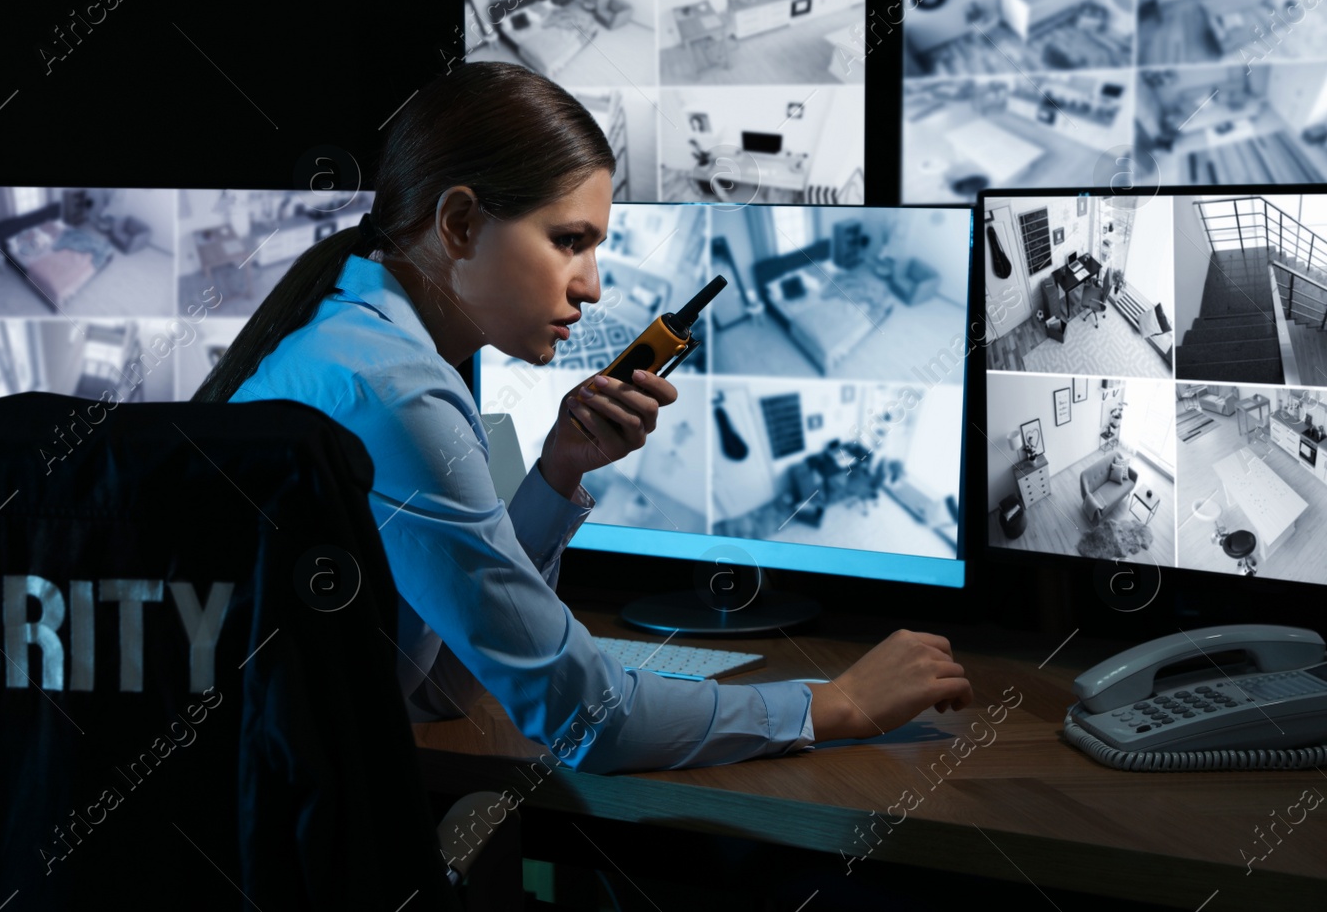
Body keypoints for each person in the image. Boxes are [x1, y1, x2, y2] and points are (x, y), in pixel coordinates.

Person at [192, 61, 971, 774]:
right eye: (570, 242)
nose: (592, 287)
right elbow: (589, 719)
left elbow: (445, 681)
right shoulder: (397, 393)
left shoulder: (353, 342)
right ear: (459, 224)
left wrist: (559, 469)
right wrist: (835, 703)